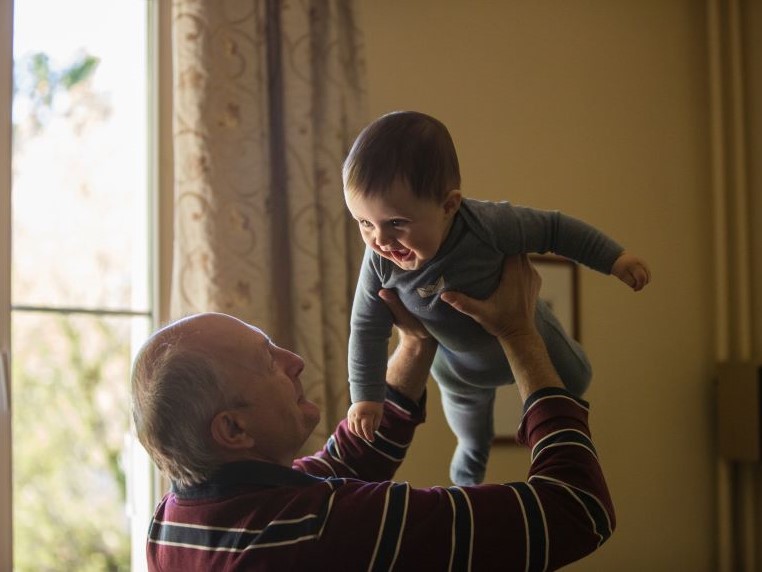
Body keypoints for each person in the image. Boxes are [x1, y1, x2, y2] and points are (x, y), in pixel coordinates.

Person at [131, 254, 615, 571]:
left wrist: (416, 342)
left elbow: (343, 462)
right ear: (233, 428)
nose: (294, 361)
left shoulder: (174, 521)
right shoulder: (326, 531)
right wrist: (519, 334)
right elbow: (576, 509)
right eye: (268, 361)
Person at [344, 110, 650, 485]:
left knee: (577, 380)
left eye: (396, 223)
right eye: (364, 223)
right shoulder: (379, 262)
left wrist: (615, 259)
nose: (380, 240)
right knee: (472, 436)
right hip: (458, 370)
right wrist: (366, 396)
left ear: (448, 206)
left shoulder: (488, 225)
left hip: (529, 331)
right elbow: (366, 328)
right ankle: (467, 482)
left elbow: (555, 229)